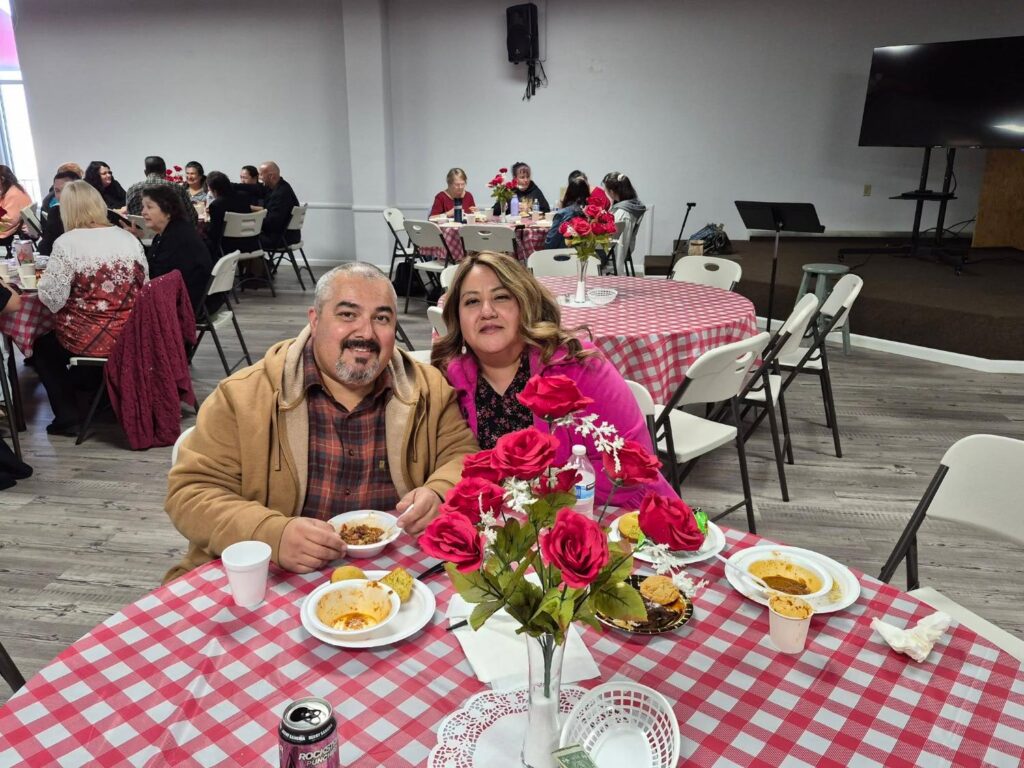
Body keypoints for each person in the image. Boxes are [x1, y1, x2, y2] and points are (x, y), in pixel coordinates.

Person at [163, 262, 479, 582]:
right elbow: (190, 493)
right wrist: (271, 533)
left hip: (397, 572)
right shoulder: (243, 396)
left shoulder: (428, 388)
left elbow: (463, 456)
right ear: (314, 320)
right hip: (275, 575)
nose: (365, 333)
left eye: (381, 318)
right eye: (347, 314)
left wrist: (439, 491)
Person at [432, 251, 678, 509]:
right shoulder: (451, 379)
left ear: (524, 304)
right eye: (471, 302)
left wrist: (539, 502)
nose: (486, 311)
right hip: (500, 529)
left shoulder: (577, 365)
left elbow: (632, 467)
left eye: (501, 297)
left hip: (608, 518)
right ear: (457, 318)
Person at [35, 181, 148, 435]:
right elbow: (145, 285)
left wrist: (42, 285)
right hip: (131, 332)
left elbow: (53, 299)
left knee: (42, 348)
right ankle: (98, 397)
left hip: (89, 337)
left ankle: (68, 417)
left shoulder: (67, 243)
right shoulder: (127, 238)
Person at [142, 185, 213, 316]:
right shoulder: (176, 229)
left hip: (186, 305)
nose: (143, 212)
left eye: (149, 207)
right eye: (143, 207)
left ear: (168, 211)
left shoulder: (175, 238)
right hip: (202, 301)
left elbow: (156, 276)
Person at [124, 156, 198, 225]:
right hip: (173, 236)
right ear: (165, 172)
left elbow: (130, 218)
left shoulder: (132, 190)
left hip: (141, 236)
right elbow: (192, 217)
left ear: (145, 172)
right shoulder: (176, 188)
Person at [205, 170, 260, 260]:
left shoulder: (216, 205)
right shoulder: (244, 196)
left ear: (213, 189)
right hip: (251, 243)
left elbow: (214, 233)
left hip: (227, 247)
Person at [603, 172, 647, 275]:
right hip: (615, 249)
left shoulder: (623, 214)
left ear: (612, 192)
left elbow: (618, 246)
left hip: (611, 253)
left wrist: (618, 272)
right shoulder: (631, 204)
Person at [258, 161, 300, 247]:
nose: (259, 178)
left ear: (271, 176)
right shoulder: (282, 187)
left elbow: (273, 224)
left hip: (281, 238)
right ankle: (261, 261)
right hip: (287, 236)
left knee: (243, 240)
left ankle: (261, 261)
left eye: (261, 174)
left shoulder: (280, 194)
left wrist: (253, 221)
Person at [544, 175, 590, 250]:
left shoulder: (563, 214)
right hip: (584, 256)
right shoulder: (591, 213)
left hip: (561, 257)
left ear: (568, 193)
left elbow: (549, 244)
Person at [0, 165, 34, 252]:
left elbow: (9, 220)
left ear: (2, 179)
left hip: (14, 233)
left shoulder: (13, 193)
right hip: (19, 228)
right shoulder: (16, 188)